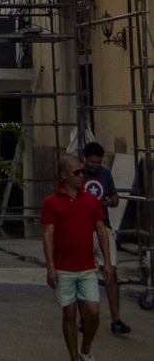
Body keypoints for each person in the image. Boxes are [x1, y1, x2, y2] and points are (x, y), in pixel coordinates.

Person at [41, 153, 115, 361]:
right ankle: (74, 356)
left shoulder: (91, 201)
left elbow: (101, 232)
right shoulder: (51, 202)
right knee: (69, 313)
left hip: (86, 266)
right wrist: (51, 267)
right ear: (64, 175)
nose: (82, 174)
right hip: (63, 267)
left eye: (82, 170)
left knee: (93, 311)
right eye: (77, 172)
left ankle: (85, 349)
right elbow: (47, 235)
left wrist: (107, 263)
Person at [82, 142, 130, 335]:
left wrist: (110, 201)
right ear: (85, 159)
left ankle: (116, 319)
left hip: (103, 226)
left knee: (111, 273)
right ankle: (85, 318)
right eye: (92, 161)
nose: (95, 165)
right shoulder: (78, 174)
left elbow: (116, 198)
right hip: (83, 229)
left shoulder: (105, 175)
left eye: (98, 162)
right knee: (83, 275)